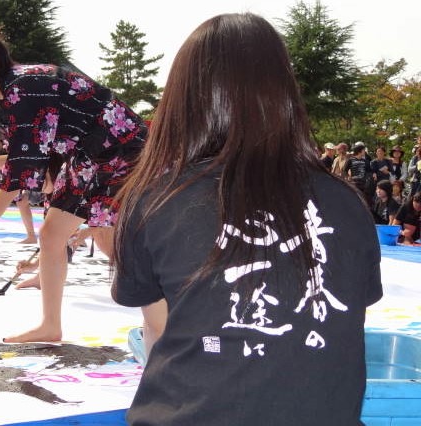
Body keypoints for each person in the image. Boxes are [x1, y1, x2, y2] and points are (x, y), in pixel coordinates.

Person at [110, 13, 382, 425]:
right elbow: (344, 329)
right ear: (283, 94)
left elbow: (160, 332)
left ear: (183, 99)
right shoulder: (346, 202)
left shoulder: (157, 199)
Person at [0, 26, 147, 343]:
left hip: (120, 149)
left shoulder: (24, 89)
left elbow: (23, 167)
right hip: (91, 155)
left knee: (108, 239)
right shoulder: (14, 91)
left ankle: (165, 308)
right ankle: (50, 326)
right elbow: (30, 152)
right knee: (53, 235)